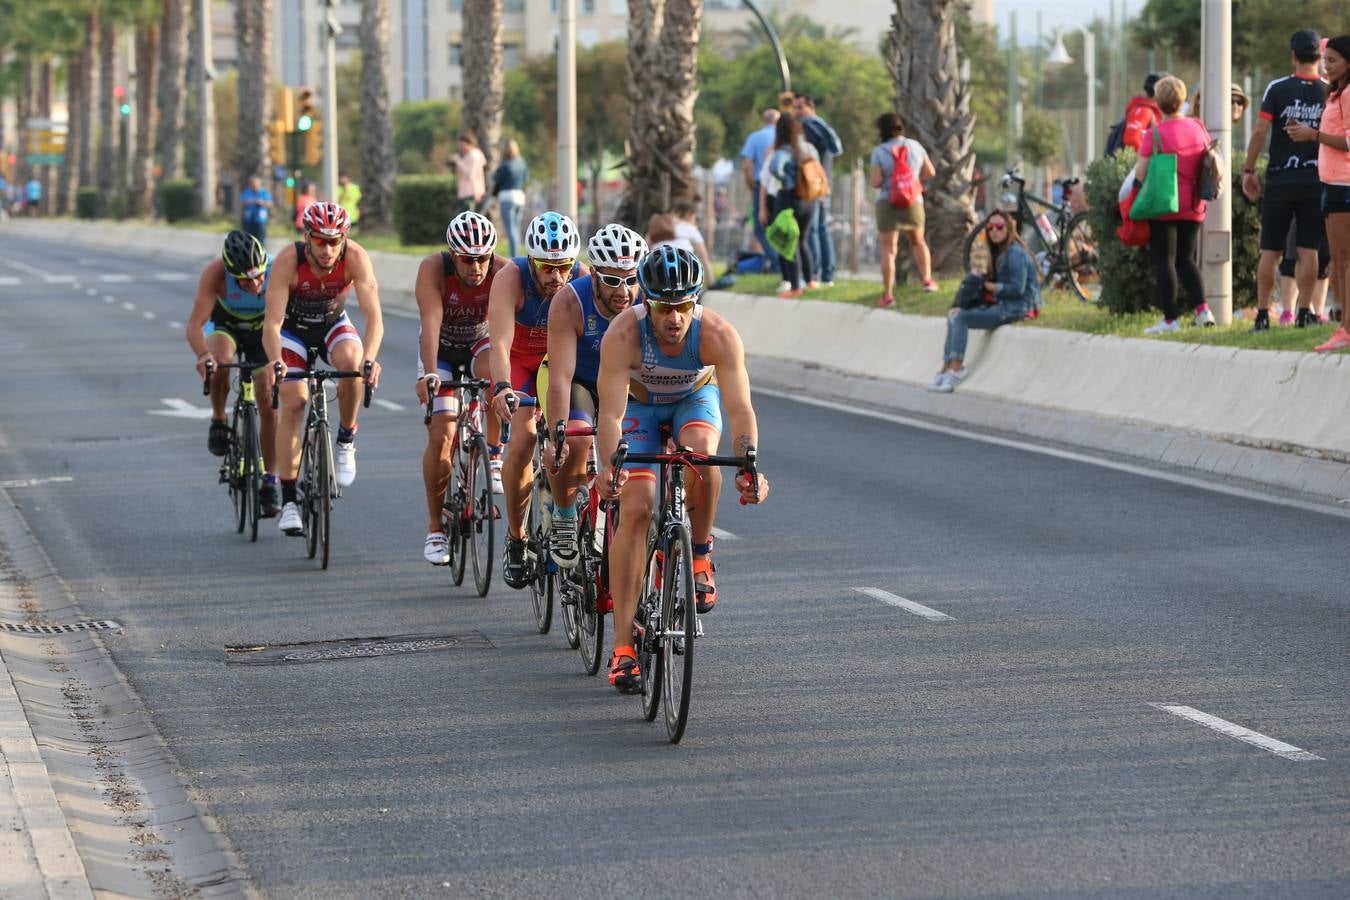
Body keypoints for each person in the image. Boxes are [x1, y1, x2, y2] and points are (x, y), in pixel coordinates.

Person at [595, 247, 770, 693]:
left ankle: (698, 553)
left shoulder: (717, 334)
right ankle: (623, 649)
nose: (675, 318)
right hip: (639, 409)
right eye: (663, 307)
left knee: (702, 457)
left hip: (695, 398)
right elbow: (611, 417)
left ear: (697, 302)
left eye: (684, 306)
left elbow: (740, 408)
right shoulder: (623, 334)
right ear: (645, 302)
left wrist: (748, 464)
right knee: (635, 510)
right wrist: (607, 466)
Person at [262, 201, 384, 535]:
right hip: (293, 330)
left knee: (352, 363)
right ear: (307, 237)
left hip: (332, 323)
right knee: (294, 401)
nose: (329, 249)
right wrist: (275, 362)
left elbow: (374, 318)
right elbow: (272, 323)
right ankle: (289, 500)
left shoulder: (355, 257)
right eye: (321, 241)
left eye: (336, 241)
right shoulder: (289, 261)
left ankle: (345, 439)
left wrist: (370, 358)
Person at [487, 212, 587, 587]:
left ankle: (573, 512)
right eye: (547, 267)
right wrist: (501, 386)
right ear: (531, 261)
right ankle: (516, 537)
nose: (556, 277)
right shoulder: (510, 278)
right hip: (519, 363)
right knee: (524, 439)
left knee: (580, 434)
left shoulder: (584, 280)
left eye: (564, 267)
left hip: (560, 363)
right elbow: (498, 342)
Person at [542, 224, 649, 569]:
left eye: (631, 279)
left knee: (633, 455)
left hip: (627, 383)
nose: (624, 291)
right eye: (613, 281)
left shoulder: (649, 299)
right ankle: (563, 512)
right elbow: (560, 377)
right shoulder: (570, 301)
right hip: (580, 381)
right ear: (595, 276)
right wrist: (556, 433)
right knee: (573, 443)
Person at [416, 212, 510, 565]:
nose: (477, 267)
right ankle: (435, 526)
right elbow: (430, 325)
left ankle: (495, 454)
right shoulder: (433, 270)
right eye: (468, 259)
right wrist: (428, 374)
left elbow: (503, 336)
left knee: (496, 377)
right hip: (438, 350)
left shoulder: (502, 272)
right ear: (453, 255)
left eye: (483, 258)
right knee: (441, 435)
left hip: (477, 345)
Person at [185, 231, 281, 516]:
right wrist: (203, 355)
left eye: (259, 276)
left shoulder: (278, 269)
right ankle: (218, 418)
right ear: (229, 271)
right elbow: (194, 326)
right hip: (226, 325)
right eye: (244, 280)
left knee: (268, 401)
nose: (254, 284)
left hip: (263, 330)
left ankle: (269, 481)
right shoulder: (214, 273)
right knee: (220, 361)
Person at [1242, 29, 1328, 331]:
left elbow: (1259, 132)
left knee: (1271, 250)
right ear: (1319, 56)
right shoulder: (1330, 91)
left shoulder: (1277, 89)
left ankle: (1263, 314)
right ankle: (1306, 312)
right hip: (1316, 179)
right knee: (1309, 250)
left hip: (1281, 178)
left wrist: (1248, 169)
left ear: (1293, 56)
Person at [928, 209, 1039, 393]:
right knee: (953, 313)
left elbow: (1017, 289)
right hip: (1002, 303)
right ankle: (945, 368)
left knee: (961, 318)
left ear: (1009, 229)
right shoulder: (999, 252)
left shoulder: (1015, 254)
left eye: (1000, 227)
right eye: (990, 227)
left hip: (1016, 307)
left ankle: (956, 369)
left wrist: (989, 286)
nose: (994, 231)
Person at [1134, 76, 1213, 334]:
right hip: (1194, 204)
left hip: (1164, 205)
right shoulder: (1197, 127)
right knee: (1186, 259)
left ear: (1158, 102)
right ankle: (1203, 310)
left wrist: (1131, 198)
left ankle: (1170, 320)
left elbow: (1140, 174)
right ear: (1181, 100)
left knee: (1165, 261)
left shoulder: (1153, 134)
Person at [1287, 34, 1350, 352]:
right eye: (1326, 59)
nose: (1327, 64)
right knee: (1340, 261)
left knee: (1344, 260)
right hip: (1332, 184)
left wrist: (1314, 135)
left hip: (1344, 185)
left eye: (1334, 60)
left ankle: (1346, 330)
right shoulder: (1336, 93)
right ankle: (1344, 327)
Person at [869, 111, 938, 306]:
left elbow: (875, 182)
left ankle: (888, 294)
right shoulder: (915, 146)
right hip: (913, 201)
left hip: (887, 201)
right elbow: (930, 171)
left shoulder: (879, 151)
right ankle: (927, 280)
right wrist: (912, 181)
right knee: (918, 241)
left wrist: (891, 181)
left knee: (888, 249)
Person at [759, 111, 820, 298]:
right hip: (809, 199)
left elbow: (775, 168)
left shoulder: (782, 150)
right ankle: (810, 280)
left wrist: (787, 178)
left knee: (788, 242)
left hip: (788, 199)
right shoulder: (809, 148)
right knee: (803, 240)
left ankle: (795, 286)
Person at [794, 92, 844, 287]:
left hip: (812, 187)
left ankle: (814, 273)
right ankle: (827, 274)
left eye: (800, 107)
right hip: (821, 186)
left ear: (810, 106)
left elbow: (834, 149)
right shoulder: (820, 125)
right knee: (820, 228)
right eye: (795, 107)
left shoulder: (810, 124)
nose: (797, 112)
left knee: (813, 230)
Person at [739, 109, 780, 271]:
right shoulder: (785, 137)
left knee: (760, 227)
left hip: (761, 188)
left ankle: (777, 262)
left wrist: (751, 185)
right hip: (782, 188)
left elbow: (747, 165)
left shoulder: (754, 137)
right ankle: (782, 263)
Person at [1113, 73, 1166, 156]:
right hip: (1140, 165)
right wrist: (1145, 160)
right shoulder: (1144, 110)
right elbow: (1131, 139)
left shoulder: (1152, 110)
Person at [492, 138, 528, 256]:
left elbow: (496, 179)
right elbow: (525, 179)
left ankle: (514, 255)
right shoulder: (522, 162)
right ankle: (516, 252)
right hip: (519, 197)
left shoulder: (504, 164)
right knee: (516, 229)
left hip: (507, 198)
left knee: (511, 229)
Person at [455, 133, 487, 214]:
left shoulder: (474, 155)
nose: (460, 147)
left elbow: (470, 175)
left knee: (468, 220)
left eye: (462, 144)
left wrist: (458, 162)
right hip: (468, 193)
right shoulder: (470, 155)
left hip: (471, 193)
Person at [239, 175, 274, 242]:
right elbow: (242, 201)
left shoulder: (264, 192)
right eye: (253, 185)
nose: (255, 187)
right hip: (248, 220)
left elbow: (270, 203)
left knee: (260, 238)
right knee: (248, 238)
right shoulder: (247, 192)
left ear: (260, 184)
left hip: (260, 220)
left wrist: (262, 203)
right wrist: (253, 201)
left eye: (257, 185)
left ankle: (260, 251)